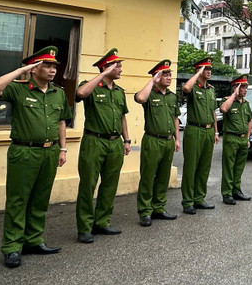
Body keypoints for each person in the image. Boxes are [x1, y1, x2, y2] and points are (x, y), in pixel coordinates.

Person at [0, 47, 70, 268]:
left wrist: (63, 149)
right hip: (24, 151)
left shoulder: (58, 93)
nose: (52, 70)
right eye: (47, 65)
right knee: (18, 200)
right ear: (33, 68)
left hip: (50, 151)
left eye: (54, 66)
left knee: (40, 198)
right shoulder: (18, 89)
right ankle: (12, 246)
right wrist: (21, 71)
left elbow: (62, 121)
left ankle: (34, 240)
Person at [75, 49, 130, 244]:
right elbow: (80, 94)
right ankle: (84, 227)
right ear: (105, 67)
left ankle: (102, 222)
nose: (120, 69)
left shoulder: (119, 91)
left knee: (110, 184)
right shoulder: (90, 86)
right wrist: (103, 74)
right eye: (117, 66)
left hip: (115, 142)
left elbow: (122, 117)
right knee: (88, 184)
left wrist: (127, 140)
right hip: (94, 141)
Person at [134, 60, 180, 227]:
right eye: (164, 74)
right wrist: (152, 81)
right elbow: (140, 98)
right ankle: (145, 211)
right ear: (157, 76)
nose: (168, 77)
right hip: (152, 140)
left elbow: (175, 118)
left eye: (169, 74)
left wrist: (177, 139)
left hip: (168, 141)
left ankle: (158, 207)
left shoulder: (172, 96)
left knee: (163, 176)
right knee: (148, 177)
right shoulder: (149, 94)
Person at [181, 56, 219, 214]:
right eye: (206, 69)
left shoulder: (210, 89)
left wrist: (216, 131)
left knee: (204, 167)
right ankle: (188, 201)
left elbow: (213, 112)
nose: (209, 71)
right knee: (191, 167)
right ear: (198, 70)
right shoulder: (193, 87)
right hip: (194, 130)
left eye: (210, 69)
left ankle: (199, 198)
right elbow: (185, 89)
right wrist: (197, 74)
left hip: (208, 131)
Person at [219, 75, 252, 204]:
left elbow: (249, 121)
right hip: (231, 138)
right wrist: (234, 95)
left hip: (243, 139)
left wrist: (248, 137)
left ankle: (236, 191)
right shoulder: (227, 101)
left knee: (239, 167)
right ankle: (227, 193)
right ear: (236, 87)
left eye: (246, 87)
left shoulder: (246, 104)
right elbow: (223, 109)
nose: (245, 90)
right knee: (229, 167)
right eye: (242, 87)